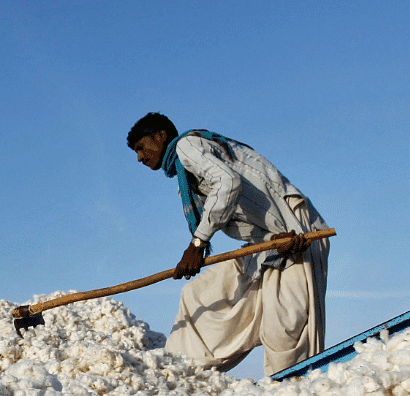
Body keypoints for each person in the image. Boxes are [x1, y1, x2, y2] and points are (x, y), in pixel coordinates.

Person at [127, 113, 329, 375]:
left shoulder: (188, 146)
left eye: (141, 148)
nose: (140, 158)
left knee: (286, 328)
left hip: (296, 231)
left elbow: (228, 182)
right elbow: (237, 214)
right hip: (269, 243)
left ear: (160, 136)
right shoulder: (187, 181)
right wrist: (271, 241)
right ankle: (180, 374)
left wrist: (198, 244)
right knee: (197, 295)